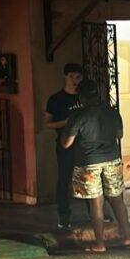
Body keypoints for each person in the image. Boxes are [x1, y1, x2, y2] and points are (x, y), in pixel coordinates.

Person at [61, 79, 130, 252]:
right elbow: (120, 134)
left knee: (96, 203)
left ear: (81, 97)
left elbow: (66, 143)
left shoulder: (78, 116)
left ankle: (100, 243)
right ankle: (128, 237)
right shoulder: (112, 112)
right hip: (112, 159)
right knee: (117, 199)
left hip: (88, 162)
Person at [45, 63, 84, 229]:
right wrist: (65, 122)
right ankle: (64, 216)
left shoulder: (84, 97)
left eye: (78, 77)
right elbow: (47, 123)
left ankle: (96, 212)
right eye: (71, 77)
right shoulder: (56, 99)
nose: (74, 80)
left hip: (84, 145)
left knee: (89, 178)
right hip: (65, 145)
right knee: (64, 179)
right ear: (65, 77)